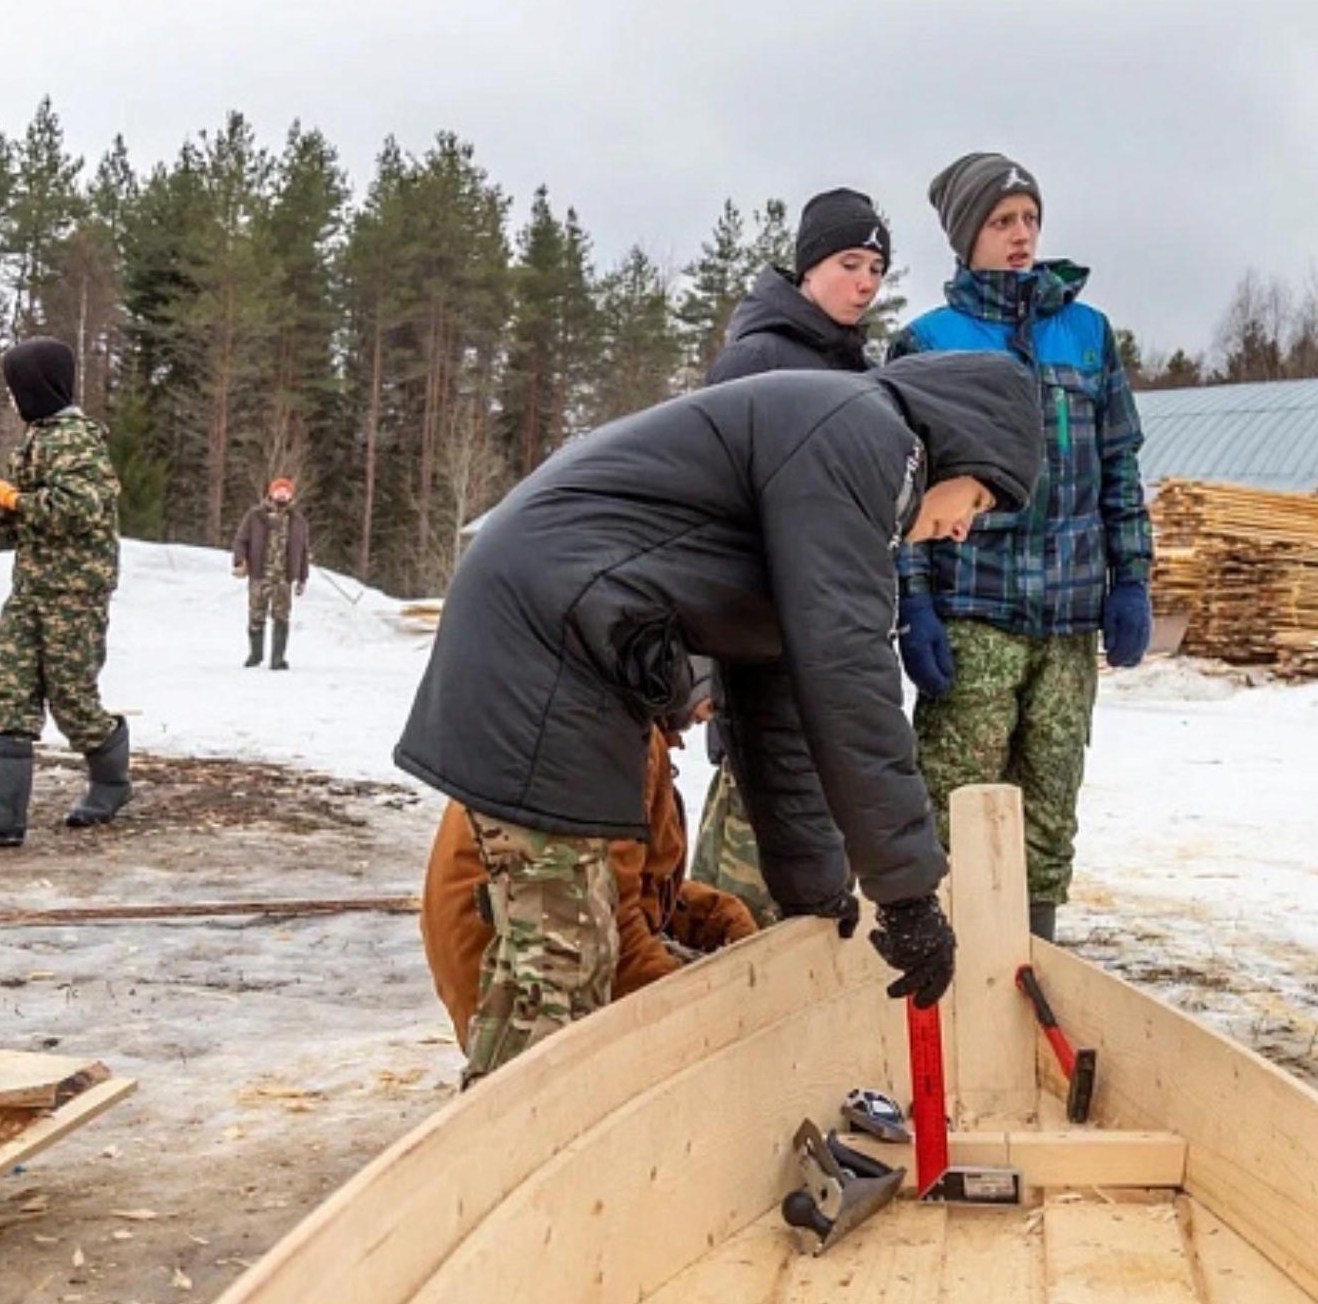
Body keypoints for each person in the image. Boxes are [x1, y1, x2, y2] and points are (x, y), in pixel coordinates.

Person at [395, 351, 1041, 1082]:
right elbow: (850, 676)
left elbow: (782, 700)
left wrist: (814, 886)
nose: (963, 529)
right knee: (562, 970)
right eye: (980, 504)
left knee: (560, 965)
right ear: (960, 444)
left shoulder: (826, 445)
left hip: (559, 633)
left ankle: (510, 1161)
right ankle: (507, 1178)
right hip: (546, 644)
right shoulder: (865, 437)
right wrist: (909, 894)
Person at [891, 153, 1155, 945]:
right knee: (955, 805)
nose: (1021, 236)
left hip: (1069, 616)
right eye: (1003, 222)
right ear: (967, 234)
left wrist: (1131, 576)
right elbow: (903, 481)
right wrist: (914, 600)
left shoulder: (1087, 332)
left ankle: (1030, 963)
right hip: (976, 610)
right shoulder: (927, 340)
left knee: (1049, 808)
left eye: (1030, 220)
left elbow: (1120, 461)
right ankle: (947, 972)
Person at [689, 187, 893, 925]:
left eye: (876, 266)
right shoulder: (757, 360)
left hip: (821, 662)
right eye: (849, 262)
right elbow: (713, 524)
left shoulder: (856, 372)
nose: (866, 282)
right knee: (739, 896)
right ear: (809, 267)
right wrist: (705, 669)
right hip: (757, 659)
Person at [419, 670, 760, 1055]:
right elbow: (610, 925)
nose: (712, 712)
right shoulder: (620, 742)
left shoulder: (607, 714)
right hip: (512, 987)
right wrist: (704, 1019)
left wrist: (711, 914)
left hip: (514, 952)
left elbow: (621, 881)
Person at [0, 338, 131, 848]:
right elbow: (26, 526)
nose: (11, 396)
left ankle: (111, 782)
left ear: (39, 385)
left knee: (72, 699)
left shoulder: (79, 442)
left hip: (73, 595)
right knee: (7, 690)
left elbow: (75, 511)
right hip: (30, 591)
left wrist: (17, 499)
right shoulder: (36, 439)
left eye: (16, 386)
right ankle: (1, 814)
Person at [231, 477, 311, 670]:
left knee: (281, 617)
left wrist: (302, 578)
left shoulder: (298, 521)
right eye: (278, 491)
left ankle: (277, 659)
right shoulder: (255, 515)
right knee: (256, 616)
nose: (282, 495)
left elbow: (304, 551)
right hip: (259, 574)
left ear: (291, 495)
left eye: (286, 492)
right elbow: (240, 541)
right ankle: (255, 655)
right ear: (271, 493)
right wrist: (240, 561)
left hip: (284, 577)